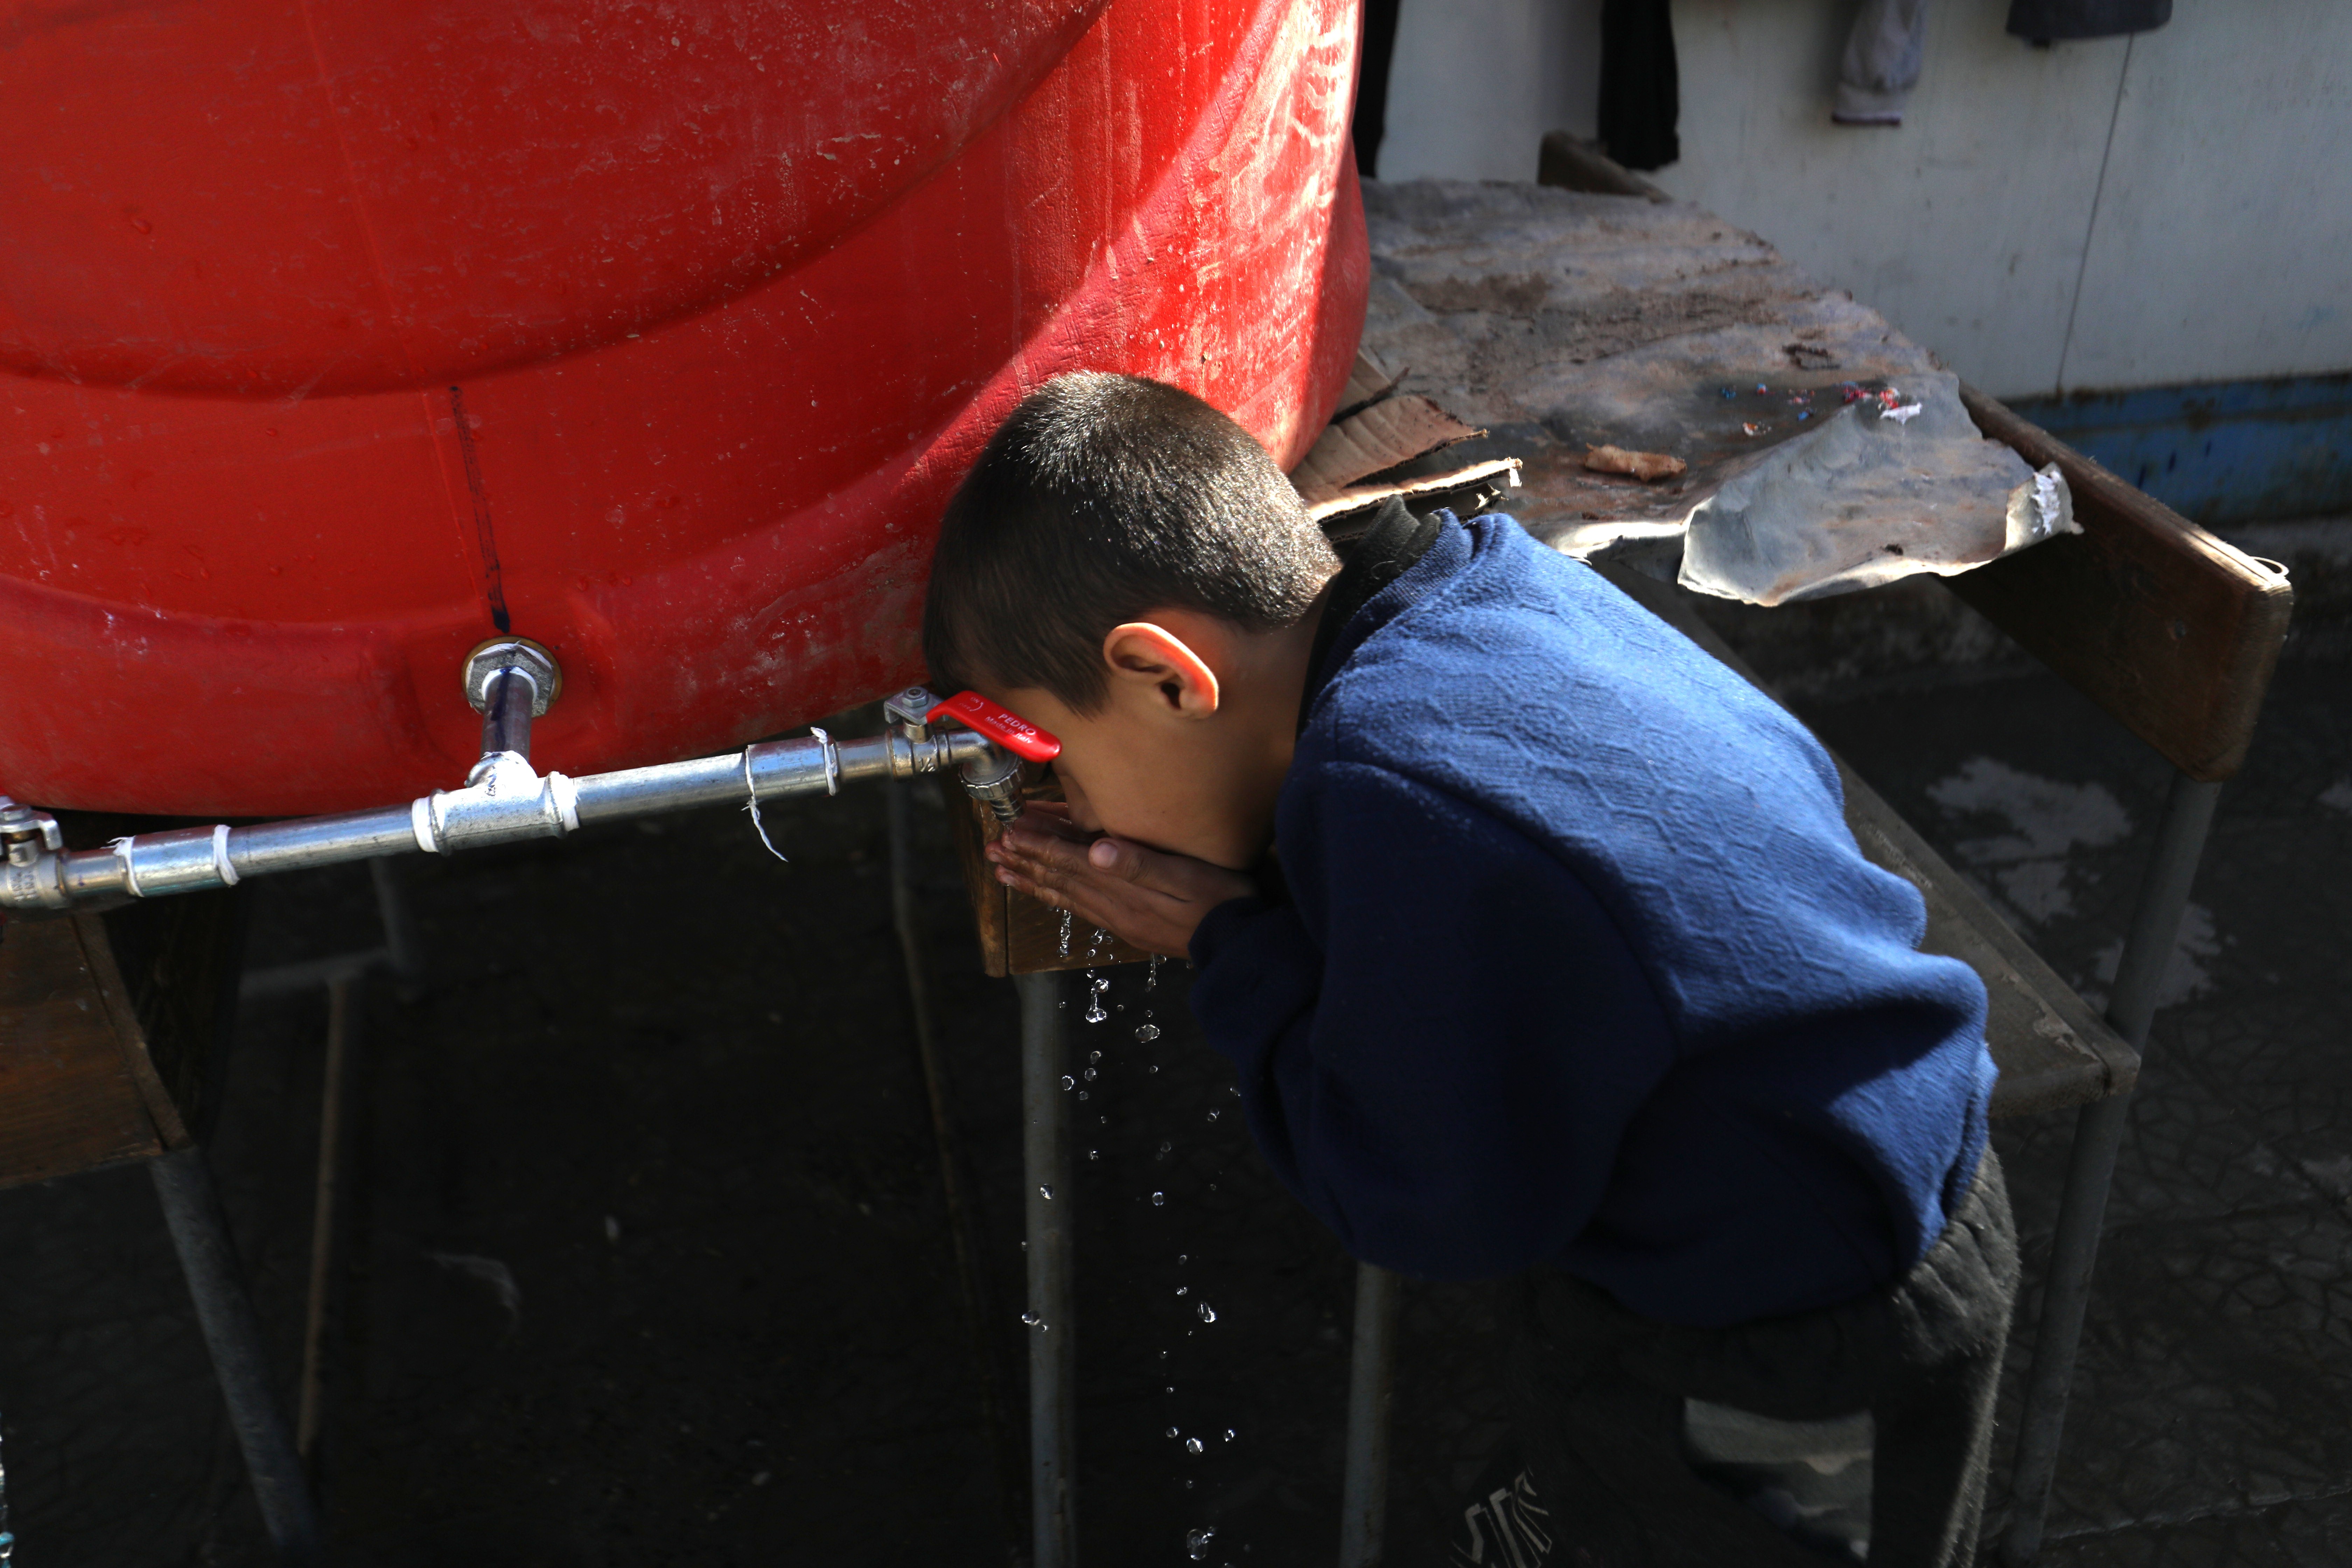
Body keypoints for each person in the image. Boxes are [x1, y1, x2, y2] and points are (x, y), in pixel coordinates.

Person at [922, 371, 2018, 1566]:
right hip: (1864, 1167)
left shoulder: (1393, 794)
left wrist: (1232, 950)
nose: (1059, 802)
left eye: (1054, 759)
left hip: (1790, 1329)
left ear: (1171, 677)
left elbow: (1427, 1201)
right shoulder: (1485, 580)